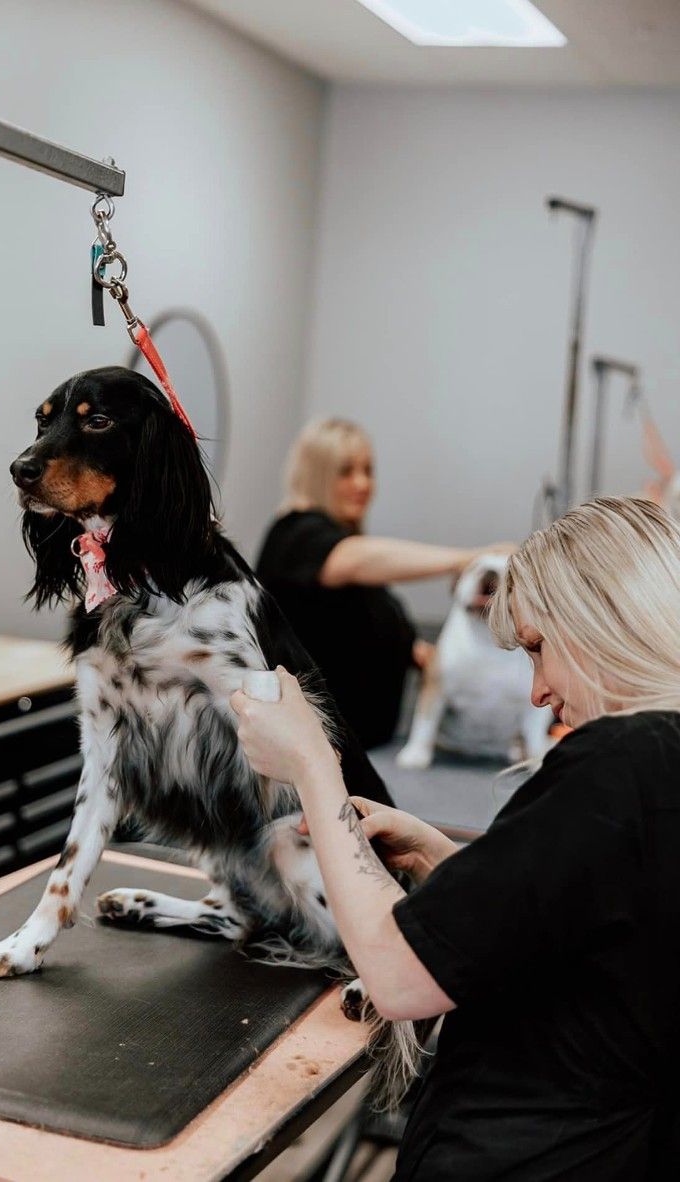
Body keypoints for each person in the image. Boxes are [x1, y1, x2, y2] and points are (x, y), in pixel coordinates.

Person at [233, 496, 680, 1180]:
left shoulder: (620, 760)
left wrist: (311, 766)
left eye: (536, 648)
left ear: (602, 617)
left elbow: (399, 979)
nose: (536, 692)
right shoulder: (662, 764)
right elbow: (598, 926)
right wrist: (445, 861)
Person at [256, 418, 509, 748]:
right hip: (319, 748)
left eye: (368, 470)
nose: (362, 483)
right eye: (346, 472)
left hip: (367, 746)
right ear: (318, 475)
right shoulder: (295, 534)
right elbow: (353, 559)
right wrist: (470, 558)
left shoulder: (351, 559)